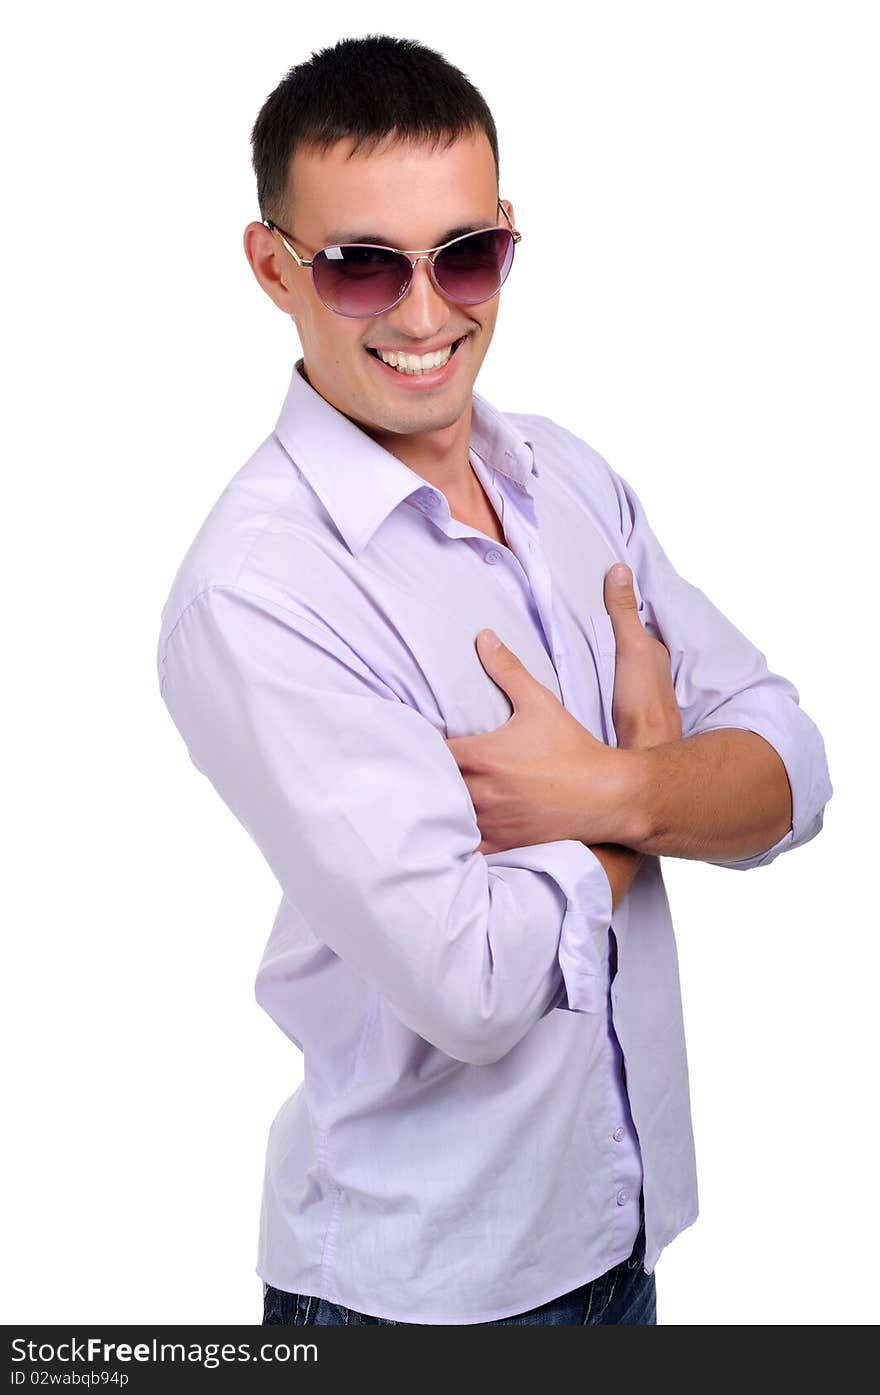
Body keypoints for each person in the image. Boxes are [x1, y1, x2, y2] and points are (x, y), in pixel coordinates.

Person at [156, 35, 833, 1327]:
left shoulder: (568, 480)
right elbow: (471, 984)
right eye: (363, 269)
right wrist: (649, 799)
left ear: (509, 238)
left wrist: (605, 784)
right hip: (421, 1298)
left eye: (465, 256)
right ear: (273, 269)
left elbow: (793, 769)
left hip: (619, 1238)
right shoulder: (261, 593)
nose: (426, 315)